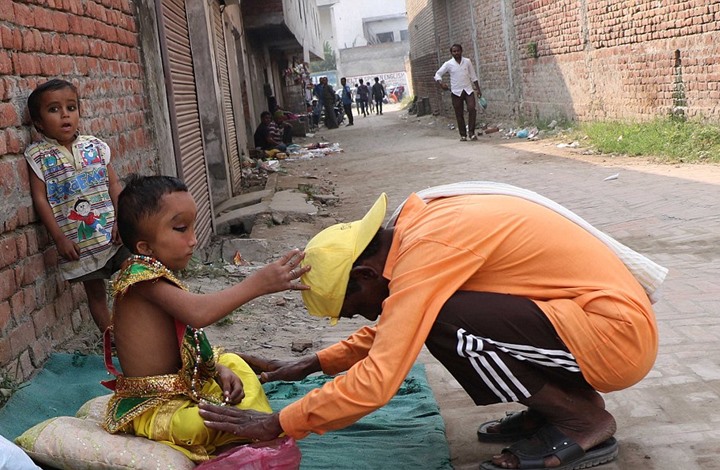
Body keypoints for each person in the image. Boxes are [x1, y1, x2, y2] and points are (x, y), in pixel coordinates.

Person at [199, 181, 664, 470]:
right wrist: (313, 363)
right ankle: (556, 408)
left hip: (615, 340)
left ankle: (581, 420)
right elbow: (398, 322)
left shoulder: (425, 255)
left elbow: (379, 380)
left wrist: (278, 423)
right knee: (439, 315)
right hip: (589, 322)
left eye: (355, 308)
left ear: (365, 275)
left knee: (444, 320)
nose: (365, 316)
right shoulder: (415, 230)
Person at [102, 174, 309, 462]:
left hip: (186, 387)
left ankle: (244, 432)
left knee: (235, 366)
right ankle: (242, 438)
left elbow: (187, 342)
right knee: (198, 424)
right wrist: (258, 284)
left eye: (193, 226)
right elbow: (198, 314)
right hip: (155, 405)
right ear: (144, 247)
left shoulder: (156, 272)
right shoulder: (140, 279)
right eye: (180, 229)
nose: (193, 239)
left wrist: (218, 371)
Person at [25, 78, 129, 333]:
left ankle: (139, 330)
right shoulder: (38, 156)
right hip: (79, 245)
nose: (65, 115)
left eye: (71, 107)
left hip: (113, 234)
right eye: (54, 109)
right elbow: (40, 199)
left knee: (134, 280)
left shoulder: (95, 146)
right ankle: (113, 341)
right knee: (96, 295)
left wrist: (122, 220)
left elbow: (114, 185)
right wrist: (59, 238)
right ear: (38, 123)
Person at [434, 44, 482, 141]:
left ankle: (471, 133)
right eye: (454, 51)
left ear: (461, 51)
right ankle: (463, 135)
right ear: (451, 53)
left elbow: (473, 76)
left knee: (472, 109)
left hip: (468, 90)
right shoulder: (448, 64)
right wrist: (441, 83)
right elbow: (438, 74)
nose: (456, 53)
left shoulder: (467, 62)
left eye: (458, 51)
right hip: (456, 92)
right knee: (459, 113)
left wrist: (478, 89)